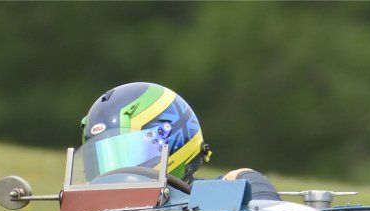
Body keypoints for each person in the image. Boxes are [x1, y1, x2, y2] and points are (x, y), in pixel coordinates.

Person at [79, 82, 280, 201]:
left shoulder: (236, 188)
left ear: (172, 142)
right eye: (101, 160)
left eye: (125, 154)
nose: (111, 172)